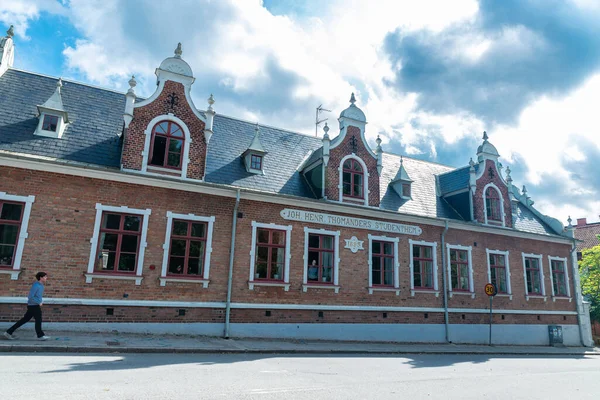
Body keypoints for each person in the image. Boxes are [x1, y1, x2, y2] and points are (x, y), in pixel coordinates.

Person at [4, 272, 50, 341]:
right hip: (33, 306)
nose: (46, 278)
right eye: (45, 277)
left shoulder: (41, 285)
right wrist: (38, 302)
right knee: (38, 320)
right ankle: (40, 335)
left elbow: (37, 296)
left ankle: (8, 332)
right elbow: (30, 297)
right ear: (41, 277)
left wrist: (40, 301)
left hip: (34, 305)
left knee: (24, 320)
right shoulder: (36, 285)